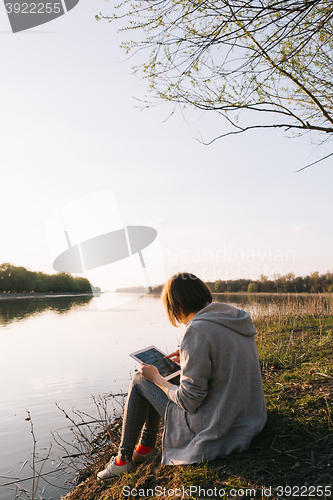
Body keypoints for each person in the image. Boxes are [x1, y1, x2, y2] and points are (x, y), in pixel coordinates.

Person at [97, 272, 267, 480]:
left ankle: (123, 460)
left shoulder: (197, 330)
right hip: (246, 418)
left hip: (218, 428)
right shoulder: (232, 317)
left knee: (141, 380)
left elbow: (189, 402)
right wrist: (190, 356)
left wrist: (157, 379)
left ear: (175, 305)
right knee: (160, 379)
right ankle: (144, 448)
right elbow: (222, 359)